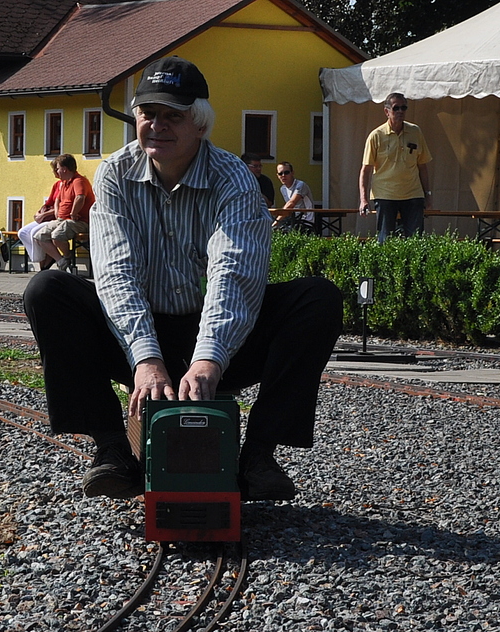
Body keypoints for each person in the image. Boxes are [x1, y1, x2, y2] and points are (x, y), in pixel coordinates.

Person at [23, 57, 342, 503]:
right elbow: (115, 272)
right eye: (148, 114)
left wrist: (210, 358)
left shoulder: (232, 178)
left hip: (221, 336)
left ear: (200, 124)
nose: (158, 125)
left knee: (318, 298)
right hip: (138, 336)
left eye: (174, 116)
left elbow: (233, 274)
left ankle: (258, 456)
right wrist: (145, 358)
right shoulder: (115, 173)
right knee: (47, 290)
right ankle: (112, 448)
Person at [359, 92, 432, 244]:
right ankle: (385, 268)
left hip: (413, 194)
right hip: (385, 195)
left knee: (416, 241)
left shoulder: (415, 132)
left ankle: (414, 268)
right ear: (387, 111)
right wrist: (363, 199)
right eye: (396, 108)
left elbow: (422, 166)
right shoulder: (376, 136)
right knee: (385, 240)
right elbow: (366, 170)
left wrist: (428, 194)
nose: (400, 112)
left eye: (403, 108)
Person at [32, 153, 93, 271]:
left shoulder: (78, 181)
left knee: (57, 236)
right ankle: (61, 261)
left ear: (64, 169)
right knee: (39, 237)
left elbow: (80, 197)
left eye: (58, 168)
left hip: (79, 221)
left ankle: (67, 256)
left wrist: (74, 213)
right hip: (62, 220)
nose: (57, 171)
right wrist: (57, 212)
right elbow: (58, 199)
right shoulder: (65, 183)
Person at [17, 159, 62, 269]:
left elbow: (62, 207)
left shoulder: (68, 184)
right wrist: (39, 212)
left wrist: (44, 215)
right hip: (47, 217)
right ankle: (40, 259)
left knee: (35, 232)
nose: (54, 172)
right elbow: (49, 202)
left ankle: (44, 265)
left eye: (56, 169)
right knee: (23, 232)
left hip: (56, 218)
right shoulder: (57, 185)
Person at [274, 161, 318, 233]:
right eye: (280, 173)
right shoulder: (283, 189)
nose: (283, 175)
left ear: (292, 173)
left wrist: (277, 220)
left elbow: (291, 204)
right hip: (293, 220)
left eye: (286, 172)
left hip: (306, 221)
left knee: (279, 228)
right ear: (277, 176)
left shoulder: (300, 185)